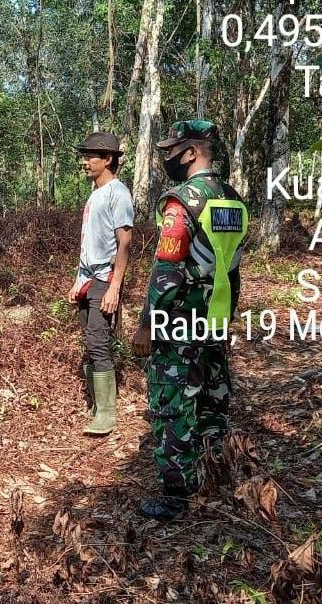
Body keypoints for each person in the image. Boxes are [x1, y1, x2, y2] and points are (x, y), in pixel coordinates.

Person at [131, 120, 249, 521]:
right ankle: (213, 473)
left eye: (172, 152)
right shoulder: (233, 199)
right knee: (213, 396)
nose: (167, 159)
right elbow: (230, 267)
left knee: (173, 401)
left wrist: (149, 322)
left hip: (181, 317)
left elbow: (168, 271)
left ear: (192, 153)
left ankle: (177, 493)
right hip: (217, 315)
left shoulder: (182, 203)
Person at [68, 132, 133, 435]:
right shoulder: (96, 193)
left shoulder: (117, 193)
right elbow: (90, 245)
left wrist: (114, 287)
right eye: (84, 156)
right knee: (90, 340)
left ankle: (107, 413)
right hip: (88, 279)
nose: (85, 162)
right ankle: (96, 405)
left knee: (97, 341)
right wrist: (77, 281)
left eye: (91, 157)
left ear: (108, 159)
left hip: (104, 279)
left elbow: (125, 243)